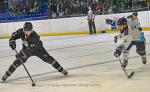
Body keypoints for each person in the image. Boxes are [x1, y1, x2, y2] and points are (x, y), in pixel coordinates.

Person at [2, 22, 68, 81]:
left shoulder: (35, 37)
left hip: (38, 49)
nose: (27, 32)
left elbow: (30, 50)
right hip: (26, 49)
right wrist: (12, 41)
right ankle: (7, 74)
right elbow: (14, 36)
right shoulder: (21, 31)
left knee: (49, 59)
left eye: (29, 31)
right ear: (23, 29)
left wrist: (21, 54)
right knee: (18, 61)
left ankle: (61, 69)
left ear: (32, 30)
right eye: (25, 30)